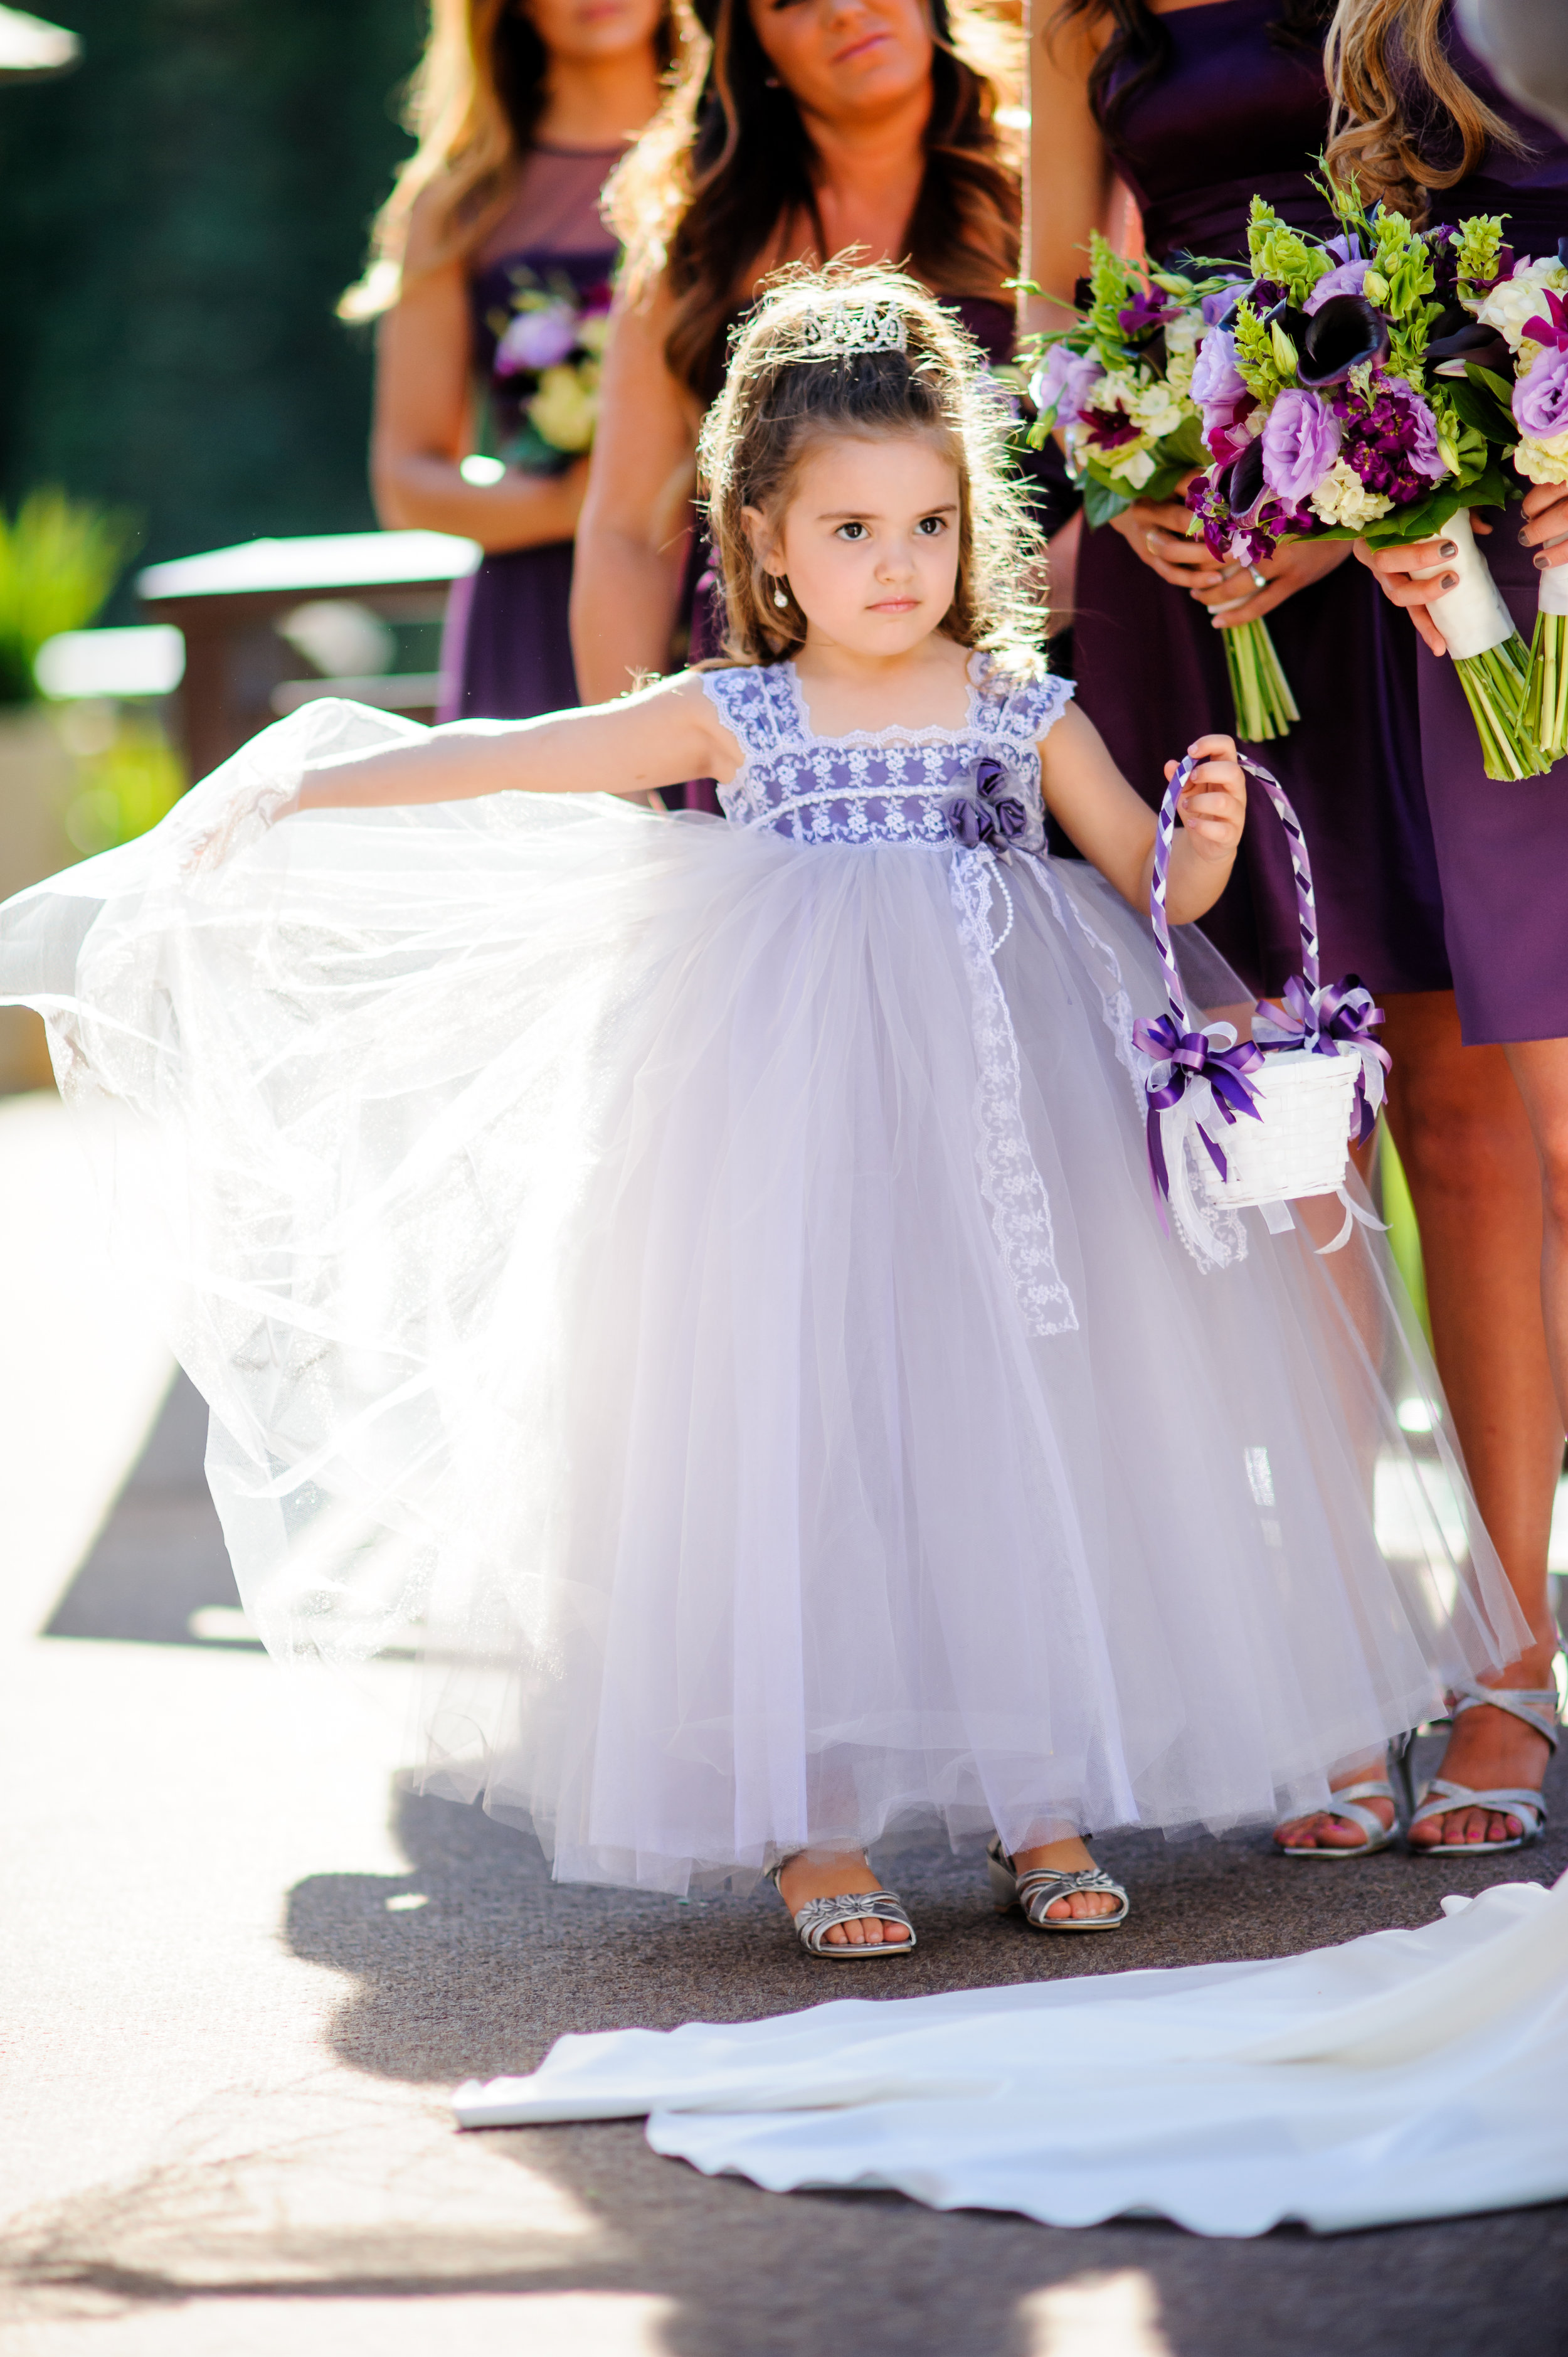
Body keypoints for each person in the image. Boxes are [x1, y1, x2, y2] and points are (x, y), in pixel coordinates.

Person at [0, 270, 1523, 1953]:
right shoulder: (741, 710)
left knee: (1022, 1434)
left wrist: (1212, 827)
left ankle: (1042, 1792)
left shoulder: (1020, 704)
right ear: (764, 543)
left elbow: (1153, 887)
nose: (898, 566)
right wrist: (312, 778)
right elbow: (519, 749)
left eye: (931, 525)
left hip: (1013, 1124)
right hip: (796, 1129)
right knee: (808, 1437)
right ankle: (815, 1821)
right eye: (854, 529)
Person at [1029, 0, 1562, 1863]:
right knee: (1277, 1142)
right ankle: (1333, 1666)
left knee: (1460, 1115)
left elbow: (1465, 207)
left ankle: (1505, 1660)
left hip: (1398, 519)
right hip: (1187, 564)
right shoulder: (1071, 16)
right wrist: (1128, 481)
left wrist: (1346, 495)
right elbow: (1055, 299)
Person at [1327, 0, 1568, 1854]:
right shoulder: (1381, 32)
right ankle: (1515, 1657)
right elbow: (1354, 294)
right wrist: (1374, 494)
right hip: (1483, 628)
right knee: (1550, 1130)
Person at [568, 0, 1076, 807]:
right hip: (778, 721)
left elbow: (1118, 446)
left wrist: (971, 646)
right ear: (751, 45)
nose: (844, 10)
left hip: (1028, 681)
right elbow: (626, 529)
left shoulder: (1049, 195)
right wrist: (624, 792)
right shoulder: (694, 248)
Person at [346, 0, 686, 720]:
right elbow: (406, 482)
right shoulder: (460, 203)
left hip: (728, 590)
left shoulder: (738, 168)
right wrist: (583, 503)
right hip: (536, 616)